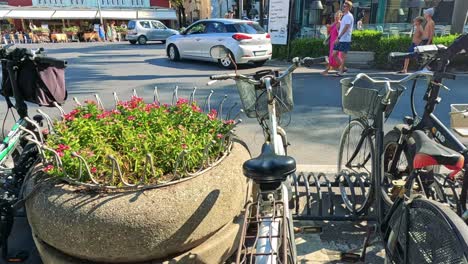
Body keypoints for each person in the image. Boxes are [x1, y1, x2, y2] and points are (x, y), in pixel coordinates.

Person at [332, 1, 354, 76]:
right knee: (334, 54)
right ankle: (343, 68)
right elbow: (342, 27)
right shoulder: (345, 15)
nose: (343, 7)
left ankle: (341, 72)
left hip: (345, 39)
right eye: (343, 6)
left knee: (343, 56)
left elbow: (346, 27)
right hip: (340, 38)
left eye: (345, 6)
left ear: (349, 7)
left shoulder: (349, 16)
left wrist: (339, 37)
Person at [322, 11, 343, 76]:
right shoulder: (334, 23)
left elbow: (340, 33)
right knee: (332, 56)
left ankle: (327, 70)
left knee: (332, 56)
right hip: (332, 41)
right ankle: (342, 68)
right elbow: (330, 29)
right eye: (335, 15)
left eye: (337, 16)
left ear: (340, 16)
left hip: (336, 42)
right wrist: (328, 27)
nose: (336, 17)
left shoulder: (339, 23)